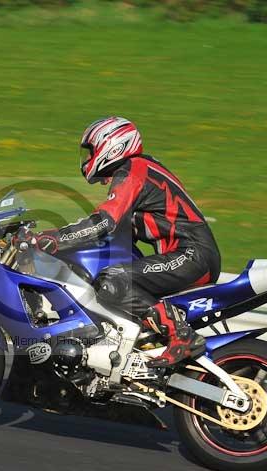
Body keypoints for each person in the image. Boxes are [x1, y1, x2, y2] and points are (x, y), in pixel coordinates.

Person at [26, 116, 221, 367]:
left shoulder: (133, 170)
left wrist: (50, 239)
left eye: (91, 151)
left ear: (113, 146)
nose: (87, 159)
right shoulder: (141, 169)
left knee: (114, 280)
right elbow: (112, 231)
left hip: (193, 253)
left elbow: (103, 223)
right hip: (187, 253)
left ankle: (180, 335)